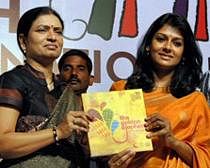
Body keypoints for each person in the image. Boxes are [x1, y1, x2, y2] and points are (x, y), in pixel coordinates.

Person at [108, 13, 210, 167]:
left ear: (184, 54)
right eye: (161, 39)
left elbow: (206, 158)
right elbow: (106, 147)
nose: (167, 47)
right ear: (148, 45)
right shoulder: (121, 90)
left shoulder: (195, 100)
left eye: (177, 43)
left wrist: (172, 141)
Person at [0, 7, 92, 168]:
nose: (52, 37)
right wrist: (58, 132)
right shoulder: (13, 80)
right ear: (23, 41)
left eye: (58, 31)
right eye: (42, 30)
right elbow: (3, 144)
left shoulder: (67, 91)